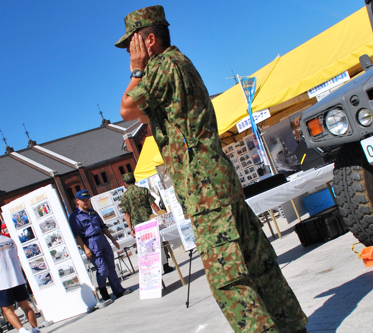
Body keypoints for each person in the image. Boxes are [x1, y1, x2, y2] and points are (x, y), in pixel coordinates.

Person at [117, 6, 308, 332]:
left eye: (132, 46)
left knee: (228, 278)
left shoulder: (162, 66)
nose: (129, 55)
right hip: (217, 180)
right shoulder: (180, 65)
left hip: (203, 188)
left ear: (149, 41)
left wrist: (137, 69)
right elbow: (148, 116)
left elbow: (126, 108)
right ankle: (292, 325)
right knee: (255, 261)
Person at [69, 190, 132, 301]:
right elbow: (77, 235)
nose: (86, 202)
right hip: (90, 242)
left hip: (102, 239)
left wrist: (113, 240)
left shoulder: (92, 212)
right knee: (102, 269)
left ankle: (118, 290)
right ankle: (103, 290)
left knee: (111, 266)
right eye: (83, 200)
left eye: (87, 199)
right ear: (77, 201)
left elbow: (103, 227)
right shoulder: (75, 217)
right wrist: (85, 248)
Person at [0, 215, 40, 333]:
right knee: (25, 305)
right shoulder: (10, 241)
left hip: (2, 281)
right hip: (17, 278)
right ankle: (35, 328)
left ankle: (22, 329)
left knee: (7, 309)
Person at [120, 172, 175, 273]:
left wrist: (130, 229)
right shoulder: (143, 190)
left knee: (146, 246)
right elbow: (153, 205)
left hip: (138, 225)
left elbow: (127, 214)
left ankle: (152, 270)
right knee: (158, 242)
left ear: (125, 183)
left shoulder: (124, 197)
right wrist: (161, 216)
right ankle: (165, 266)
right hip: (150, 220)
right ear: (134, 180)